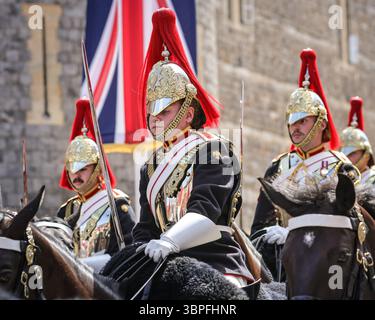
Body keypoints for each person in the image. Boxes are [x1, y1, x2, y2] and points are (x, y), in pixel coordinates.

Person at [132, 8, 253, 288]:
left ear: (188, 114)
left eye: (164, 110)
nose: (154, 118)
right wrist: (135, 251)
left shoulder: (215, 150)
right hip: (161, 260)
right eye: (152, 111)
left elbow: (206, 210)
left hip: (213, 259)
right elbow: (146, 228)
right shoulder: (151, 165)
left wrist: (170, 240)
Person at [250, 48, 360, 280]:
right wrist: (270, 234)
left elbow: (349, 227)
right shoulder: (278, 167)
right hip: (284, 265)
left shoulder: (342, 168)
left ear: (321, 123)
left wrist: (291, 232)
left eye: (303, 121)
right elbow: (259, 228)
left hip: (330, 266)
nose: (295, 128)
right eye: (291, 121)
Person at [57, 98, 136, 270]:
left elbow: (127, 254)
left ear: (97, 169)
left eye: (83, 169)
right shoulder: (66, 211)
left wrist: (78, 266)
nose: (76, 175)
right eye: (73, 169)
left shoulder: (116, 204)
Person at [340, 96, 375, 186]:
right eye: (343, 154)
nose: (346, 158)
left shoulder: (372, 180)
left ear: (366, 155)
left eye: (352, 153)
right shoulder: (338, 178)